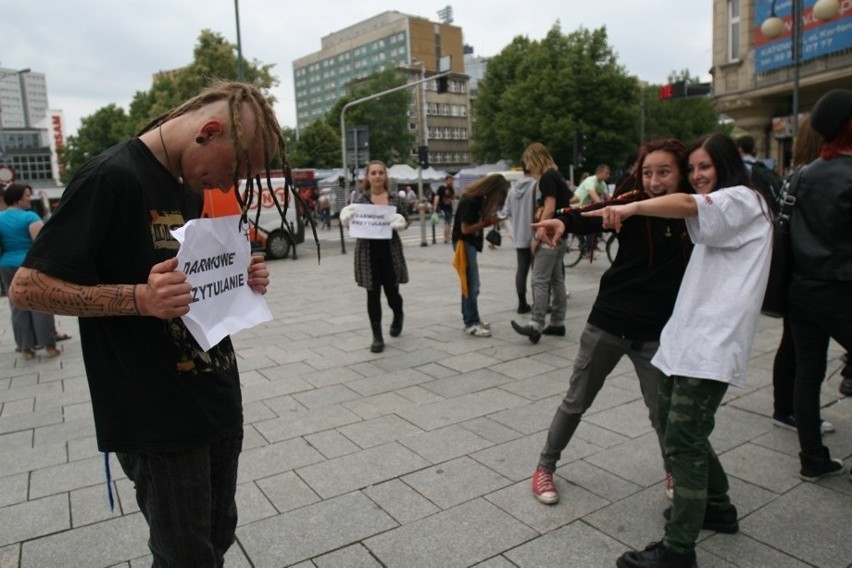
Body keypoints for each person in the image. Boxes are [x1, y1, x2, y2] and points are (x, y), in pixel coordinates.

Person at [9, 81, 277, 566]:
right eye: (235, 168)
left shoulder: (188, 187)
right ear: (209, 132)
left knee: (215, 540)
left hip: (215, 398)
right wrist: (140, 298)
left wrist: (242, 276)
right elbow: (28, 288)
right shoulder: (110, 178)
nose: (229, 184)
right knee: (184, 556)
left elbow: (189, 282)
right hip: (155, 414)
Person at [584, 133, 772, 568]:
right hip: (687, 339)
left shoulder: (744, 198)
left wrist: (629, 206)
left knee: (683, 441)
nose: (696, 177)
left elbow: (687, 205)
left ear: (725, 165)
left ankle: (678, 550)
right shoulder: (727, 203)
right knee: (678, 429)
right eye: (692, 170)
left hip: (712, 345)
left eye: (704, 167)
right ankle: (717, 506)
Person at [529, 139, 694, 507]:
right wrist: (562, 221)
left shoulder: (692, 211)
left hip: (655, 332)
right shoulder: (630, 201)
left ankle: (673, 468)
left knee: (661, 412)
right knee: (576, 401)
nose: (654, 181)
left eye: (664, 172)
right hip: (608, 321)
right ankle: (544, 466)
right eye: (648, 172)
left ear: (680, 173)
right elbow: (592, 212)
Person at [788, 89, 852, 483]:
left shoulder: (802, 175)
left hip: (803, 290)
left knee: (807, 374)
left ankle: (812, 457)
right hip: (844, 289)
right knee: (808, 372)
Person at [769, 118, 835, 435]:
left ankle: (787, 410)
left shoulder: (794, 177)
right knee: (807, 357)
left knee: (796, 348)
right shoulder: (819, 177)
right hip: (820, 276)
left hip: (797, 274)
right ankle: (791, 413)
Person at [511, 143, 572, 343]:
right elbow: (572, 198)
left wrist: (538, 235)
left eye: (529, 162)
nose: (528, 167)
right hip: (561, 233)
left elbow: (550, 207)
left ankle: (536, 324)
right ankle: (557, 323)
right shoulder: (557, 175)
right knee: (557, 280)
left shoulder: (547, 177)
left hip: (549, 235)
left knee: (539, 280)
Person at [350, 160, 409, 353]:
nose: (377, 176)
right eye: (373, 173)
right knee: (372, 293)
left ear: (385, 176)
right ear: (367, 177)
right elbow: (354, 223)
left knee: (392, 292)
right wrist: (348, 221)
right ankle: (377, 336)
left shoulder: (395, 199)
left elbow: (406, 220)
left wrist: (402, 223)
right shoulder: (360, 201)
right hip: (367, 253)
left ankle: (398, 313)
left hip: (390, 252)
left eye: (380, 173)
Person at [0, 183, 62, 360]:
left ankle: (26, 348)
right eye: (27, 195)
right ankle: (48, 345)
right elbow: (41, 243)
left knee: (17, 306)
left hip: (6, 265)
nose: (30, 198)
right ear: (19, 198)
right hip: (29, 264)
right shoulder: (30, 216)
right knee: (40, 303)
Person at [452, 173, 509, 337]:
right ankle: (471, 322)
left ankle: (472, 319)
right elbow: (465, 229)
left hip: (467, 243)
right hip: (464, 243)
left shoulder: (476, 199)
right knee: (471, 284)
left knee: (469, 283)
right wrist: (488, 222)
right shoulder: (471, 201)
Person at [498, 168, 536, 314]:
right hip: (535, 235)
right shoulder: (536, 185)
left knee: (522, 270)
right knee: (537, 272)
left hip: (519, 235)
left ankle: (522, 303)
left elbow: (504, 213)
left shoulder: (512, 190)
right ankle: (539, 303)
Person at [434, 175, 456, 243]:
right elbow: (437, 196)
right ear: (446, 180)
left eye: (451, 181)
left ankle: (446, 238)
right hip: (443, 207)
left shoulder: (450, 188)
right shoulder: (441, 188)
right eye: (450, 180)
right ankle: (447, 238)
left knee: (448, 223)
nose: (451, 182)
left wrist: (453, 186)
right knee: (447, 222)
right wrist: (435, 206)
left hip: (449, 207)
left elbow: (454, 195)